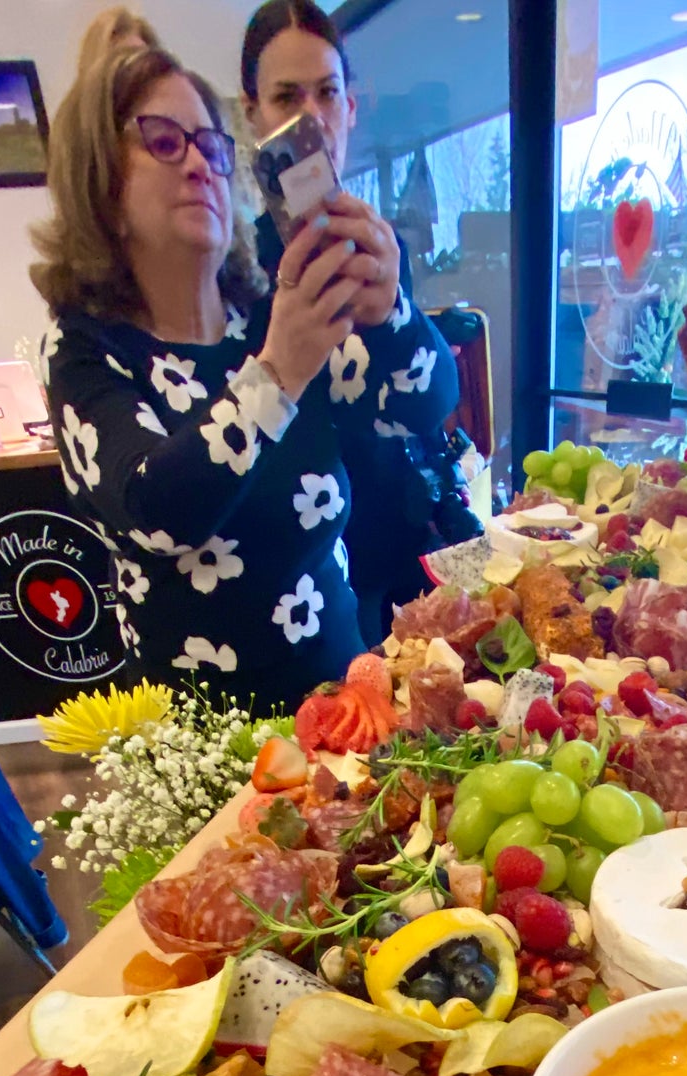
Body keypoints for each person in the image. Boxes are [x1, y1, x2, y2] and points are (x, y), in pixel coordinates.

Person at [32, 41, 458, 708]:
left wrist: (391, 313)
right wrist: (278, 372)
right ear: (98, 177)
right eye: (164, 141)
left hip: (345, 707)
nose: (199, 163)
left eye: (210, 144)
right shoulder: (85, 348)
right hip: (202, 739)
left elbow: (421, 405)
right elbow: (159, 510)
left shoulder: (267, 315)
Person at [240, 0, 479, 643]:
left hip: (404, 557)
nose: (310, 117)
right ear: (253, 115)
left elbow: (431, 402)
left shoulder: (378, 245)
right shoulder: (238, 270)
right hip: (302, 595)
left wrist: (393, 308)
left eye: (326, 93)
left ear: (350, 109)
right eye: (286, 97)